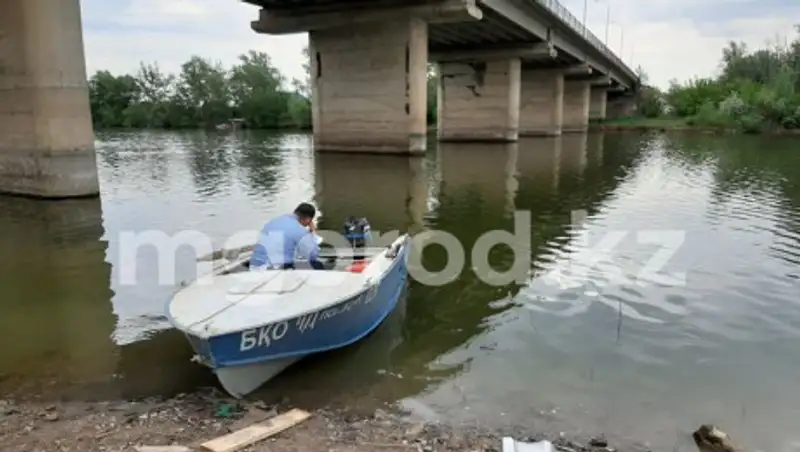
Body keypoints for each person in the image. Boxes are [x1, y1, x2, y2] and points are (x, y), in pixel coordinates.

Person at [249, 202, 325, 270]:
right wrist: (313, 232)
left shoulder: (276, 221)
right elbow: (313, 255)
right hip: (273, 270)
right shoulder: (300, 230)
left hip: (254, 266)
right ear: (308, 220)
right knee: (317, 265)